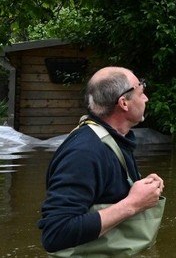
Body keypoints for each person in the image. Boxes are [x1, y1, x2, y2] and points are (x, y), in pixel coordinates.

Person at [38, 66, 165, 253]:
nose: (146, 98)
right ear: (124, 103)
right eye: (141, 92)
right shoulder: (84, 153)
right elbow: (55, 233)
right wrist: (132, 204)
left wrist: (142, 190)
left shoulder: (113, 139)